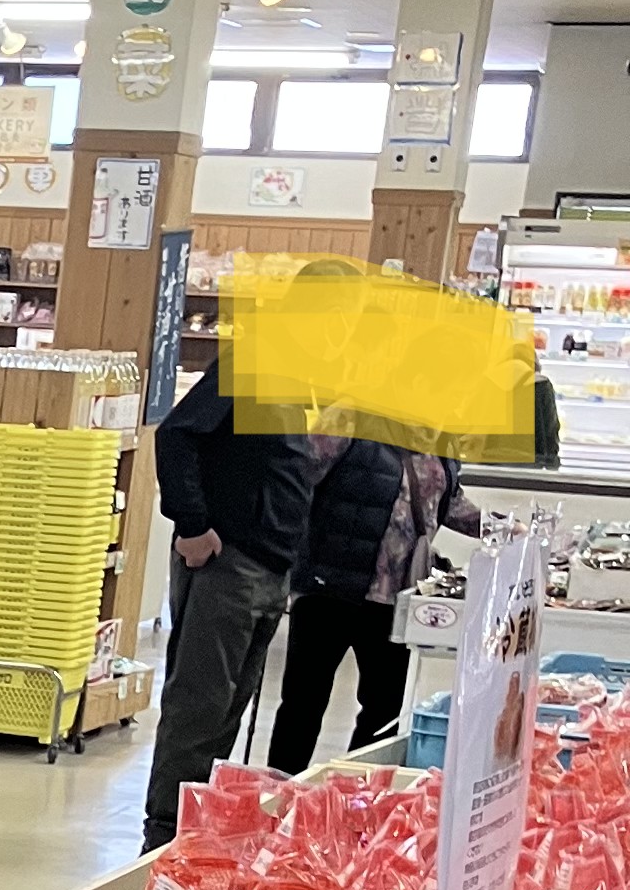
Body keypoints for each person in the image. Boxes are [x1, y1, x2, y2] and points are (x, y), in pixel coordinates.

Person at [140, 361, 321, 847]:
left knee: (227, 713)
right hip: (230, 564)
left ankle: (196, 833)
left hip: (269, 567)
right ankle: (163, 840)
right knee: (200, 707)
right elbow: (176, 435)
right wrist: (193, 524)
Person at [265, 441, 466, 771]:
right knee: (303, 702)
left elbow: (449, 504)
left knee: (384, 709)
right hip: (328, 588)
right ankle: (281, 787)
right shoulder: (351, 427)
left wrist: (503, 526)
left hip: (394, 601)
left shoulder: (440, 446)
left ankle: (354, 788)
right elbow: (298, 474)